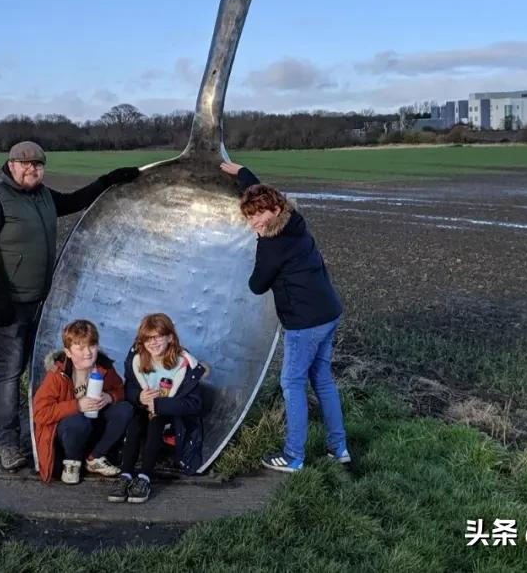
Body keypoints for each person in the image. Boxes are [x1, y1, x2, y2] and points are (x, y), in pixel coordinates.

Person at [0, 141, 140, 471]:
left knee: (37, 368)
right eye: (25, 164)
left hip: (37, 301)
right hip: (1, 302)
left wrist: (106, 181)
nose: (32, 169)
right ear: (11, 165)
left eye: (38, 165)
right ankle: (5, 442)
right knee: (8, 371)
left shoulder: (43, 197)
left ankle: (44, 426)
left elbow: (73, 201)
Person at [220, 161, 350, 473]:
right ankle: (339, 446)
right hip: (328, 312)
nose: (254, 222)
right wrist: (243, 174)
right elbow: (267, 196)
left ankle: (294, 456)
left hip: (304, 323)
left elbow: (256, 285)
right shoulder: (294, 220)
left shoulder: (271, 245)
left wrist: (259, 244)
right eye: (249, 216)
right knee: (322, 379)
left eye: (258, 215)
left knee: (291, 382)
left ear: (275, 209)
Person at [110, 312, 208, 504]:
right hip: (143, 408)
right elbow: (128, 388)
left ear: (170, 337)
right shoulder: (137, 359)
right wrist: (138, 397)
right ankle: (126, 475)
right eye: (148, 338)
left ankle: (145, 477)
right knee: (134, 422)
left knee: (156, 423)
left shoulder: (185, 365)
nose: (153, 343)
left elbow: (194, 404)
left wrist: (159, 405)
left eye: (158, 337)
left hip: (170, 414)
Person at [32, 319, 133, 484]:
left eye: (92, 346)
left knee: (125, 409)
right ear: (69, 352)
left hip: (95, 423)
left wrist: (110, 397)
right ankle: (72, 463)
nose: (88, 352)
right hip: (69, 431)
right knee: (78, 421)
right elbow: (40, 413)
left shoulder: (103, 367)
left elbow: (120, 389)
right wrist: (77, 405)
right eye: (80, 348)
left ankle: (95, 457)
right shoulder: (57, 375)